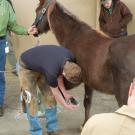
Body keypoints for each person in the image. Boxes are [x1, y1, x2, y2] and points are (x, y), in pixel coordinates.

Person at [19, 45, 82, 135]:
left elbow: (59, 77)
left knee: (50, 98)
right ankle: (36, 132)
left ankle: (51, 129)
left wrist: (65, 94)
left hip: (43, 65)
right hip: (26, 67)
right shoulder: (52, 71)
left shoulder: (71, 59)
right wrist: (65, 105)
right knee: (31, 101)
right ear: (64, 73)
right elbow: (56, 92)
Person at [0, 0, 37, 117]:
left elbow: (12, 25)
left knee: (0, 76)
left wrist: (26, 31)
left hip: (1, 42)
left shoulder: (5, 4)